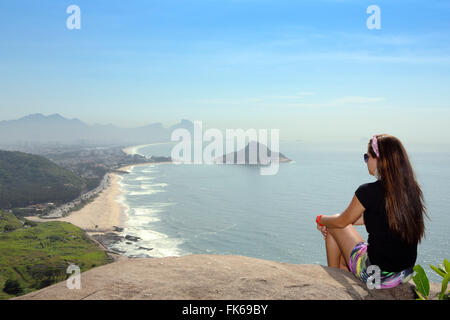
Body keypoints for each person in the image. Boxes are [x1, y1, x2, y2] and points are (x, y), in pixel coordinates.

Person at [315, 134, 428, 289]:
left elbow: (342, 221)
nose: (366, 161)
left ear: (379, 159)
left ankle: (334, 287)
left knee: (335, 223)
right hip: (403, 274)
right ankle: (341, 270)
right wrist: (337, 222)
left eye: (366, 157)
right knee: (338, 233)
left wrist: (321, 220)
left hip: (376, 276)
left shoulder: (368, 191)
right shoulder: (410, 190)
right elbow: (367, 219)